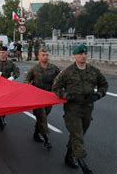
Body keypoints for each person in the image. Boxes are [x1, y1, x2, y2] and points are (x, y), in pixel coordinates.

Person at [52, 44, 108, 173]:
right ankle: (83, 165)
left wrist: (97, 95)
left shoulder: (93, 71)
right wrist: (68, 96)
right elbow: (56, 87)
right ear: (75, 55)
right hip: (73, 109)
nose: (83, 56)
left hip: (88, 107)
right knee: (78, 135)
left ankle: (68, 156)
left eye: (85, 53)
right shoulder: (67, 72)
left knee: (80, 133)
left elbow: (104, 85)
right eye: (80, 54)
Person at [24, 48, 60, 149]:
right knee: (42, 117)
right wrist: (29, 87)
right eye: (43, 55)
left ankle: (36, 134)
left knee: (42, 117)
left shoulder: (54, 68)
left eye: (47, 55)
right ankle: (46, 138)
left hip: (49, 97)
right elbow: (26, 81)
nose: (45, 57)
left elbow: (61, 79)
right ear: (39, 57)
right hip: (37, 98)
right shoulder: (34, 69)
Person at [0, 46, 20, 131]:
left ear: (7, 53)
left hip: (6, 86)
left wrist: (12, 77)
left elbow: (17, 72)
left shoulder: (10, 63)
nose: (2, 54)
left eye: (4, 52)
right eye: (1, 52)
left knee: (5, 104)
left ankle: (3, 117)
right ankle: (1, 119)